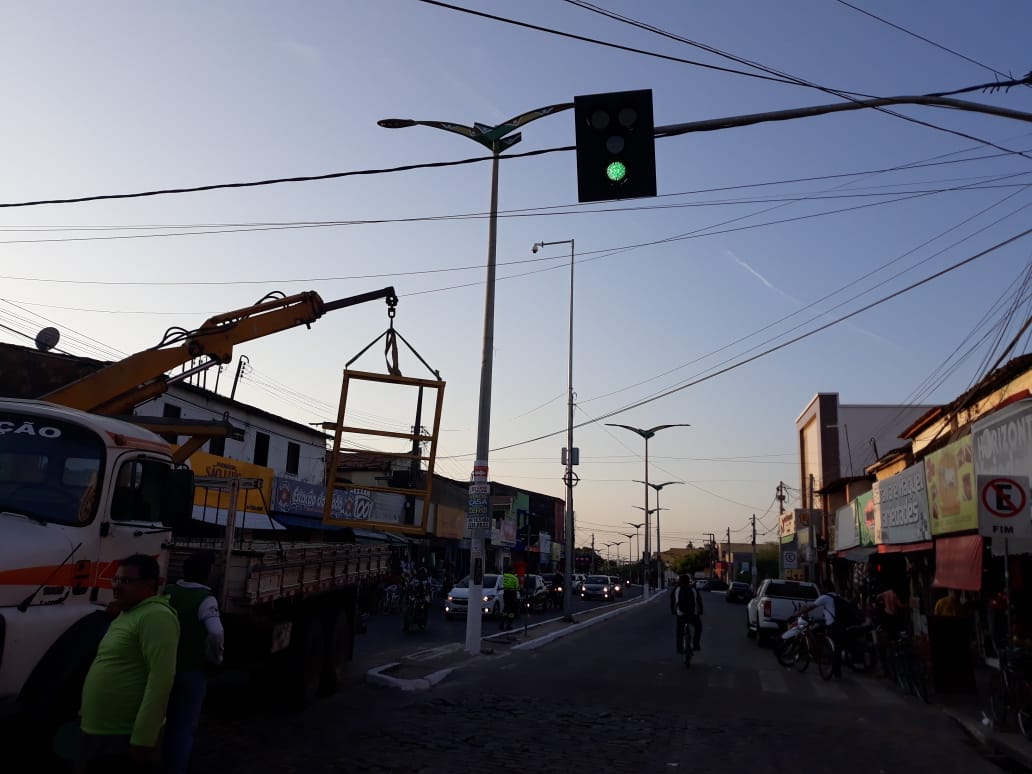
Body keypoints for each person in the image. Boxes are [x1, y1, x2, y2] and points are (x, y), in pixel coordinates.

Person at [77, 554, 180, 774]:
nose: (116, 586)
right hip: (100, 729)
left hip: (121, 735)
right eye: (115, 579)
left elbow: (161, 681)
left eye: (126, 581)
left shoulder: (156, 616)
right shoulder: (129, 612)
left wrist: (144, 738)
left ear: (150, 584)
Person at [161, 553, 225, 774]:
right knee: (182, 726)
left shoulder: (168, 591)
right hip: (191, 670)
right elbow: (216, 632)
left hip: (162, 667)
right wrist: (216, 659)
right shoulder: (205, 599)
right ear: (207, 574)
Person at [797, 583, 846, 678]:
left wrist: (798, 613)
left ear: (826, 588)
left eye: (823, 588)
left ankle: (819, 652)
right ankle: (837, 671)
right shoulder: (838, 597)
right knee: (837, 648)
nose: (822, 590)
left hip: (831, 626)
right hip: (840, 625)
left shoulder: (825, 597)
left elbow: (811, 607)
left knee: (820, 635)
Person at [669, 575, 703, 653]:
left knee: (679, 631)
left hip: (681, 614)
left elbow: (672, 601)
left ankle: (679, 648)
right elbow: (699, 601)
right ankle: (696, 644)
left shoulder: (676, 589)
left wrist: (673, 611)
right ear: (688, 581)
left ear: (680, 581)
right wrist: (700, 611)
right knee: (698, 627)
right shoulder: (693, 589)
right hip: (692, 614)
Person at [501, 566, 520, 631]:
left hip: (505, 594)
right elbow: (517, 588)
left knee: (505, 609)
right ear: (512, 571)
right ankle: (508, 625)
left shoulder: (504, 576)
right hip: (512, 595)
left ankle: (502, 624)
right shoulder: (514, 578)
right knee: (512, 611)